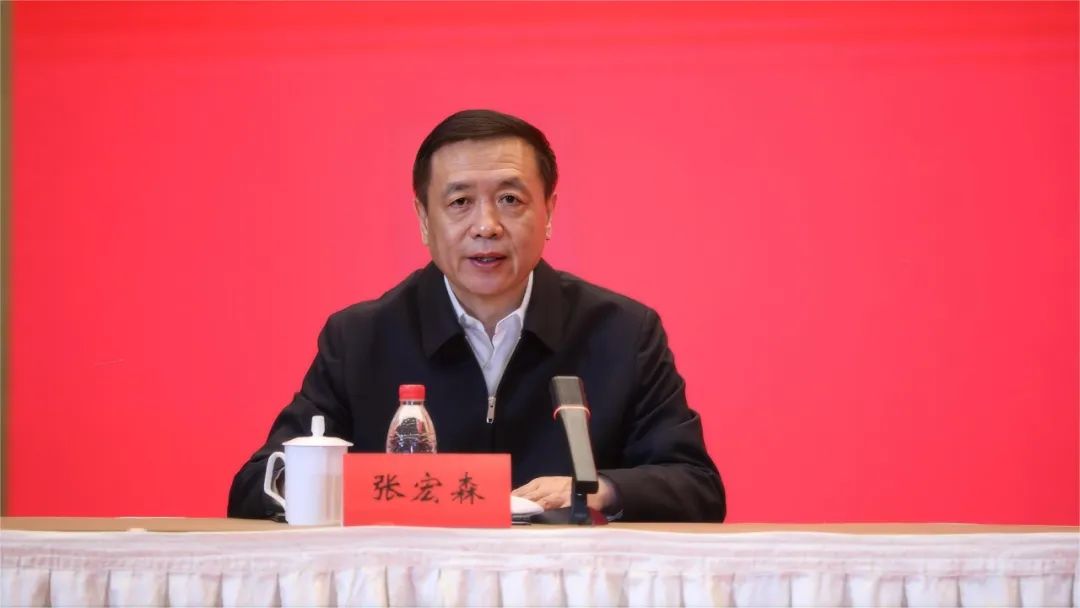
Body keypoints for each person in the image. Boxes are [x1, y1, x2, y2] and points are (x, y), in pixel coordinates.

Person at [227, 109, 726, 522]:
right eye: (460, 202)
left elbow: (697, 486)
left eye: (510, 200)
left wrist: (600, 488)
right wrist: (351, 486)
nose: (486, 226)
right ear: (424, 219)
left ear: (549, 211)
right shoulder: (360, 338)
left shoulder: (622, 332)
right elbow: (256, 485)